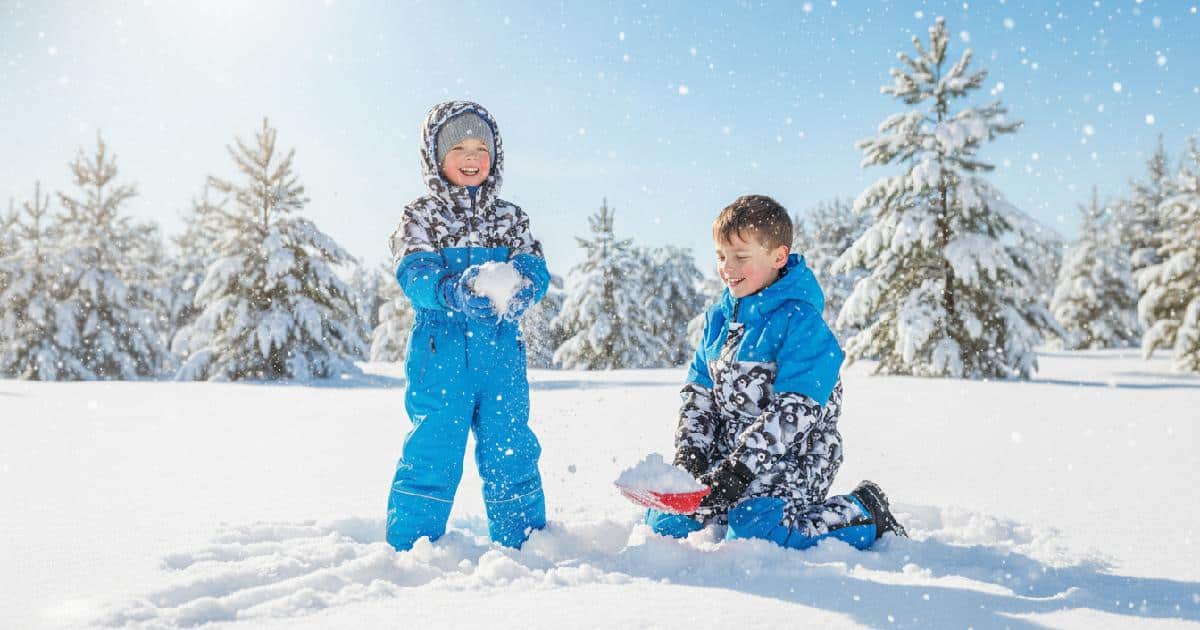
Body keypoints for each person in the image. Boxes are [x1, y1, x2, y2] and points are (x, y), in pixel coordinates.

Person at [645, 194, 907, 550]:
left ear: (778, 257)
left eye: (740, 257)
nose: (727, 268)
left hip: (794, 457)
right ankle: (729, 502)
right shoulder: (717, 321)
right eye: (721, 256)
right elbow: (698, 397)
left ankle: (864, 512)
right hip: (727, 458)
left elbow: (795, 411)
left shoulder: (802, 324)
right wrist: (691, 456)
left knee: (757, 534)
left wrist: (741, 470)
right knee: (664, 525)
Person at [385, 101, 549, 551]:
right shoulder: (421, 216)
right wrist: (451, 292)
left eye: (481, 146)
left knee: (510, 448)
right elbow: (413, 273)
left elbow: (535, 267)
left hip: (500, 355)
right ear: (435, 158)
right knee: (433, 449)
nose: (472, 156)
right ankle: (411, 548)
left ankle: (527, 545)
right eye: (457, 147)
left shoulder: (510, 218)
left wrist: (523, 290)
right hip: (441, 355)